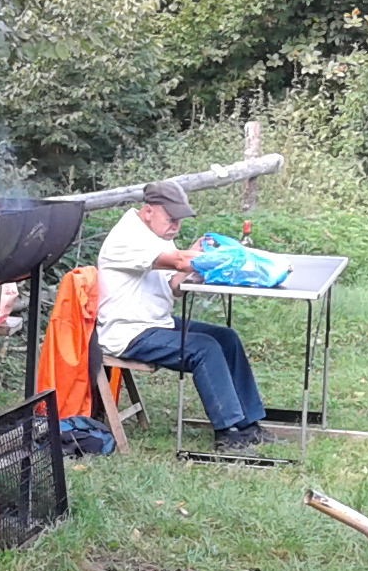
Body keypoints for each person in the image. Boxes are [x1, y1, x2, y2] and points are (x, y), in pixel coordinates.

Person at [96, 180, 271, 451]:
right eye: (171, 219)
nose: (176, 226)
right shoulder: (127, 237)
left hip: (155, 322)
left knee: (226, 338)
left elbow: (175, 286)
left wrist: (197, 258)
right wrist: (223, 258)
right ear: (148, 211)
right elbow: (179, 261)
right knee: (204, 348)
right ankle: (226, 432)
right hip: (128, 332)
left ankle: (250, 424)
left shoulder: (157, 234)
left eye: (179, 220)